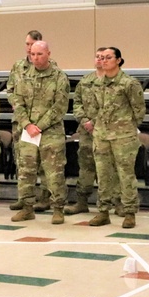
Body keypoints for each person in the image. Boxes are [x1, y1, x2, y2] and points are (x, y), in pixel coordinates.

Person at [10, 41, 70, 224]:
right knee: (26, 171)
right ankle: (27, 207)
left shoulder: (59, 77)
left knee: (54, 172)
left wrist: (39, 126)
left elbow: (60, 107)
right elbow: (17, 103)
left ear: (48, 54)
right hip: (28, 131)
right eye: (32, 55)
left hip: (50, 132)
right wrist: (27, 125)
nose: (35, 58)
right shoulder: (24, 76)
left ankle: (58, 208)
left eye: (39, 54)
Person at [89, 47, 145, 229]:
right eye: (102, 58)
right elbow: (94, 108)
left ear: (119, 60)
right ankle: (103, 211)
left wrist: (127, 127)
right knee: (103, 175)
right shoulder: (97, 84)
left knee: (125, 175)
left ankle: (129, 212)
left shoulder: (129, 83)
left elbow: (139, 110)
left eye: (108, 57)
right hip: (102, 136)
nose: (104, 61)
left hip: (123, 137)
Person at [6, 30, 51, 212]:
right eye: (26, 44)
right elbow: (10, 90)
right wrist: (16, 104)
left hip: (41, 123)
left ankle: (44, 197)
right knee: (22, 161)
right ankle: (24, 198)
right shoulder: (18, 66)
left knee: (43, 162)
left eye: (31, 44)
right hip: (21, 122)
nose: (28, 48)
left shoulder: (51, 67)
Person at [66, 50, 105, 216]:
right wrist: (85, 121)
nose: (99, 60)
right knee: (86, 167)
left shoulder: (116, 82)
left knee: (107, 169)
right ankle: (82, 201)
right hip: (86, 132)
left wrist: (96, 123)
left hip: (107, 132)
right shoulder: (85, 81)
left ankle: (113, 203)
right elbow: (77, 104)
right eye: (97, 57)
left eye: (103, 57)